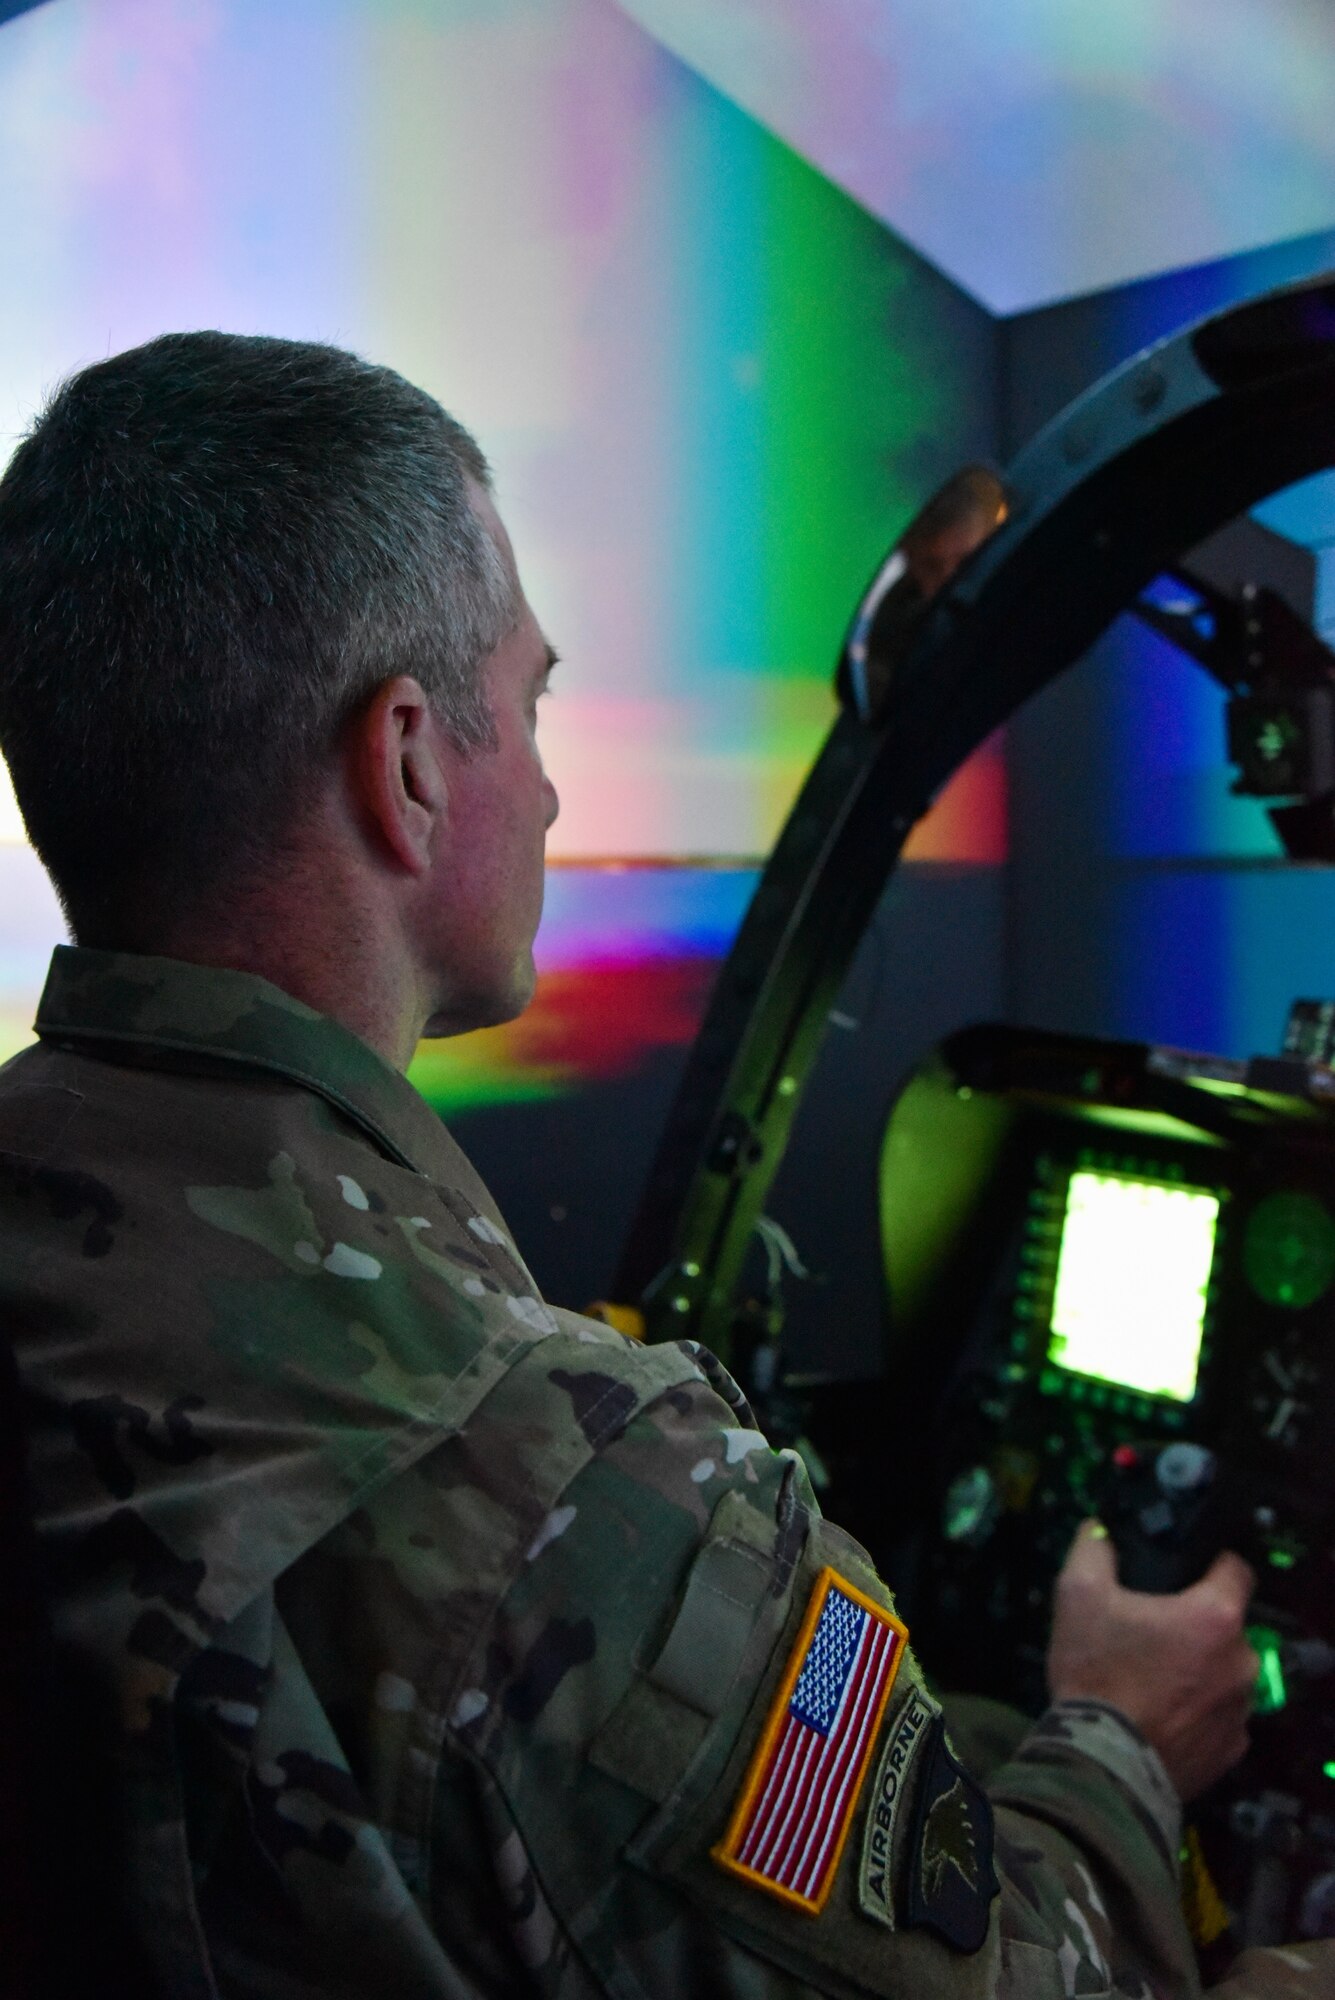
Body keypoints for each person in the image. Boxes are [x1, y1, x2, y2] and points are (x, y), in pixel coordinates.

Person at [0, 332, 1326, 1999]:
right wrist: (1124, 1735)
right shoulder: (564, 1496)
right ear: (407, 761)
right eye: (529, 703)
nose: (549, 791)